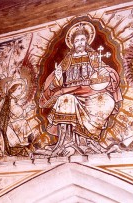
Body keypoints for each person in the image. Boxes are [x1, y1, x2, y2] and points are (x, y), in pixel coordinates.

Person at [39, 22, 122, 156]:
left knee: (105, 100)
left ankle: (86, 142)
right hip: (71, 90)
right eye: (77, 40)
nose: (79, 42)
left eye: (82, 39)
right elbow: (58, 81)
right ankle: (66, 142)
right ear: (73, 43)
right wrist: (59, 77)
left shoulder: (94, 56)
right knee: (66, 99)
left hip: (89, 90)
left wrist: (105, 74)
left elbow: (102, 74)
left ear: (87, 41)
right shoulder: (68, 59)